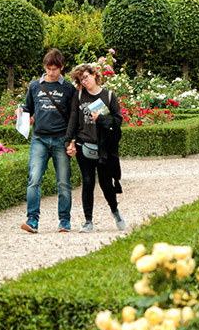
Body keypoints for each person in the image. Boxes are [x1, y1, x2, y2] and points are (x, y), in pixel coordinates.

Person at [64, 64, 126, 233]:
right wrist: (69, 141)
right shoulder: (79, 95)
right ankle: (88, 220)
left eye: (85, 77)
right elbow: (73, 120)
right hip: (84, 144)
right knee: (88, 181)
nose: (84, 82)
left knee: (106, 183)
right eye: (80, 79)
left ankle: (115, 211)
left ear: (93, 74)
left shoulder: (109, 96)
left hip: (104, 146)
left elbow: (118, 120)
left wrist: (101, 119)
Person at [20, 49, 76, 233]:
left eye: (54, 69)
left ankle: (64, 220)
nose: (51, 72)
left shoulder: (68, 88)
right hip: (39, 139)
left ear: (61, 67)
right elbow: (28, 108)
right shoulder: (35, 86)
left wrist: (71, 141)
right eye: (48, 68)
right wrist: (21, 113)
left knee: (63, 183)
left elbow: (73, 117)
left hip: (61, 139)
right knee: (34, 179)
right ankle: (32, 220)